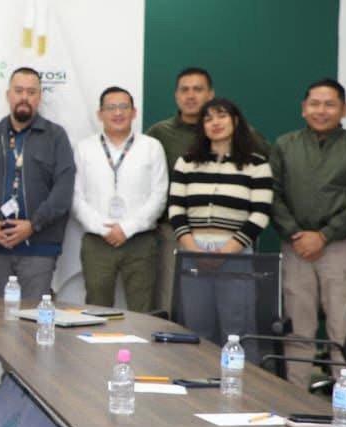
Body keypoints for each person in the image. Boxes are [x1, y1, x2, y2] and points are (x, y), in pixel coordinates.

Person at [269, 79, 346, 390]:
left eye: (330, 104)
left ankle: (345, 399)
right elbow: (272, 194)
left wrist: (325, 235)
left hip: (340, 246)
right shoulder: (285, 145)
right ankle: (294, 395)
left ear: (344, 109)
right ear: (303, 108)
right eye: (315, 104)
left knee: (342, 327)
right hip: (296, 246)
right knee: (298, 327)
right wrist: (296, 233)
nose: (321, 110)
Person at [145, 68, 267, 312]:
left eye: (198, 89)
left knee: (235, 312)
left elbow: (263, 191)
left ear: (210, 94)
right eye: (185, 90)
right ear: (176, 95)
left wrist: (232, 246)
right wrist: (190, 243)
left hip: (234, 239)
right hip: (178, 233)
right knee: (177, 302)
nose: (191, 95)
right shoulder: (159, 133)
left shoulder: (248, 138)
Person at [167, 98, 274, 354]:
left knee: (237, 329)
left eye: (222, 116)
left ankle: (242, 379)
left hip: (235, 252)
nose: (215, 123)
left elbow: (260, 214)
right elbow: (176, 209)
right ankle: (199, 377)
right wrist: (194, 250)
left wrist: (226, 251)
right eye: (208, 118)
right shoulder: (186, 162)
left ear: (235, 121)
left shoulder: (257, 165)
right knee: (196, 328)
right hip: (192, 251)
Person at [0, 67, 75, 307]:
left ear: (39, 97)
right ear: (8, 95)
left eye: (31, 92)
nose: (24, 97)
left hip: (39, 245)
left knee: (34, 318)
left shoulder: (56, 136)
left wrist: (33, 225)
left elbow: (63, 189)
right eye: (18, 91)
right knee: (3, 317)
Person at [73, 86, 166, 313]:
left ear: (134, 112)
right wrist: (104, 229)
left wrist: (127, 228)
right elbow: (76, 197)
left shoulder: (152, 147)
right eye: (111, 107)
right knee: (96, 310)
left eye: (124, 107)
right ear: (100, 114)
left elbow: (159, 194)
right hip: (98, 241)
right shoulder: (84, 148)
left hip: (141, 241)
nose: (118, 113)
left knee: (143, 311)